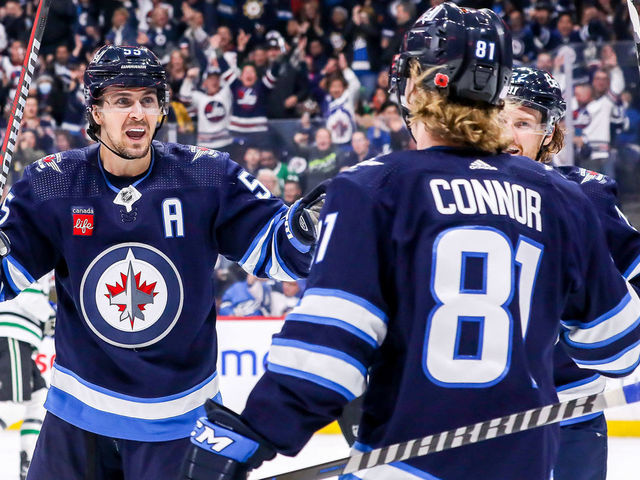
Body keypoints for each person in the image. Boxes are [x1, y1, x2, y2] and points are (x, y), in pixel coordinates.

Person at [181, 4, 640, 480]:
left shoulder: (373, 187)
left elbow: (327, 356)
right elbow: (618, 348)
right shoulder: (563, 199)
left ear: (416, 84)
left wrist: (251, 434)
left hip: (403, 466)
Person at [0, 45, 324, 480]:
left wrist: (305, 228)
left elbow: (281, 256)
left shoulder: (209, 176)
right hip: (77, 418)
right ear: (95, 111)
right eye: (121, 101)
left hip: (178, 423)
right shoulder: (53, 183)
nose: (137, 113)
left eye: (147, 100)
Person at [505, 66, 640, 480]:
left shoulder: (585, 196)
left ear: (548, 131)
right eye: (497, 118)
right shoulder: (447, 193)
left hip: (570, 416)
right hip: (475, 418)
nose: (509, 135)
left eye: (523, 122)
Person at [0, 275, 55, 480]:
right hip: (11, 332)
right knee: (12, 405)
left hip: (20, 337)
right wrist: (50, 316)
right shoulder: (38, 252)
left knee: (39, 399)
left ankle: (28, 467)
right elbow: (25, 294)